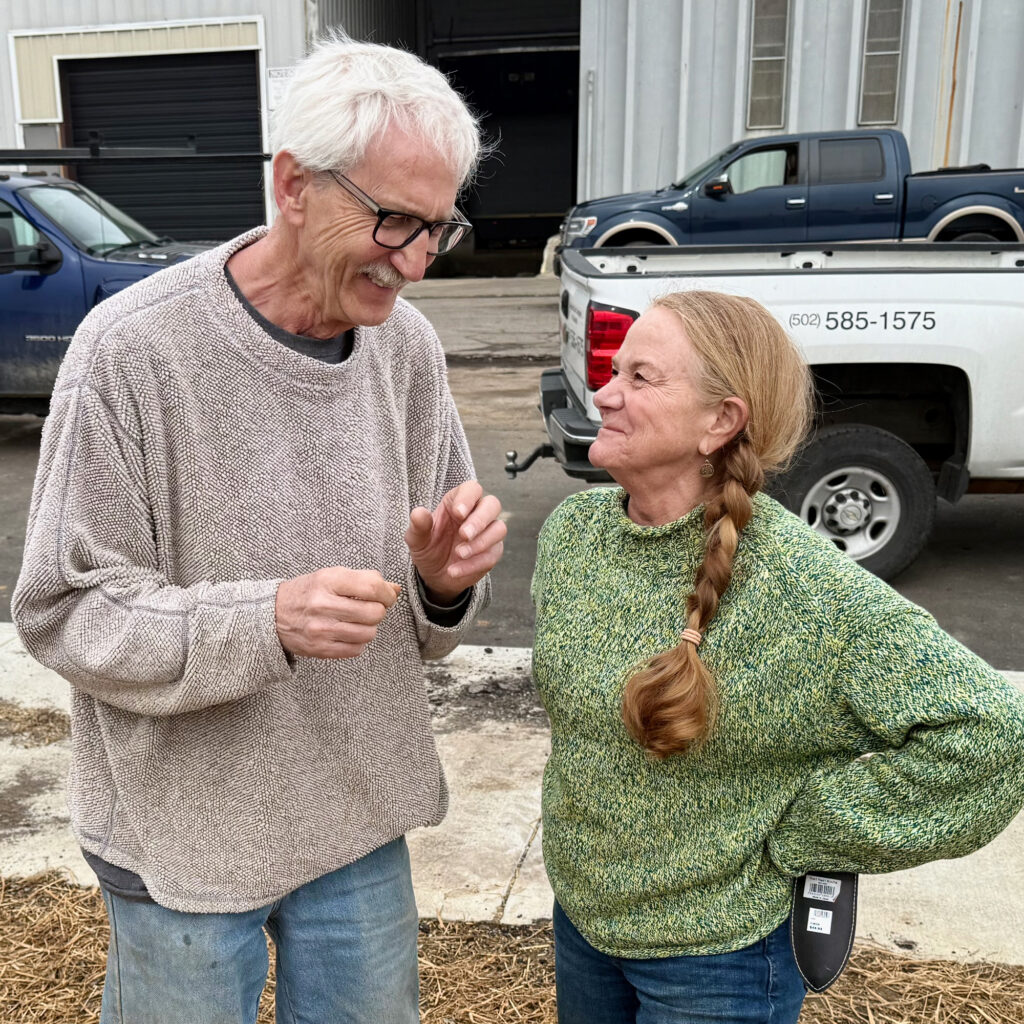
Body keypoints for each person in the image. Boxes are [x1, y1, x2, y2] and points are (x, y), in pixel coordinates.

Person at [13, 37, 505, 1024]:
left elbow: (434, 623)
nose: (412, 262)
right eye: (391, 220)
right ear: (291, 184)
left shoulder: (403, 346)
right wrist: (266, 619)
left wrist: (444, 582)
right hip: (183, 832)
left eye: (436, 229)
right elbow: (63, 611)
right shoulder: (134, 350)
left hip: (356, 812)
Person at [530, 290, 1024, 1024]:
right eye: (613, 372)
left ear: (720, 421)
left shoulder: (806, 589)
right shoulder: (573, 534)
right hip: (583, 925)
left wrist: (802, 832)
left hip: (719, 961)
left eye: (640, 377)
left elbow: (993, 735)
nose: (604, 394)